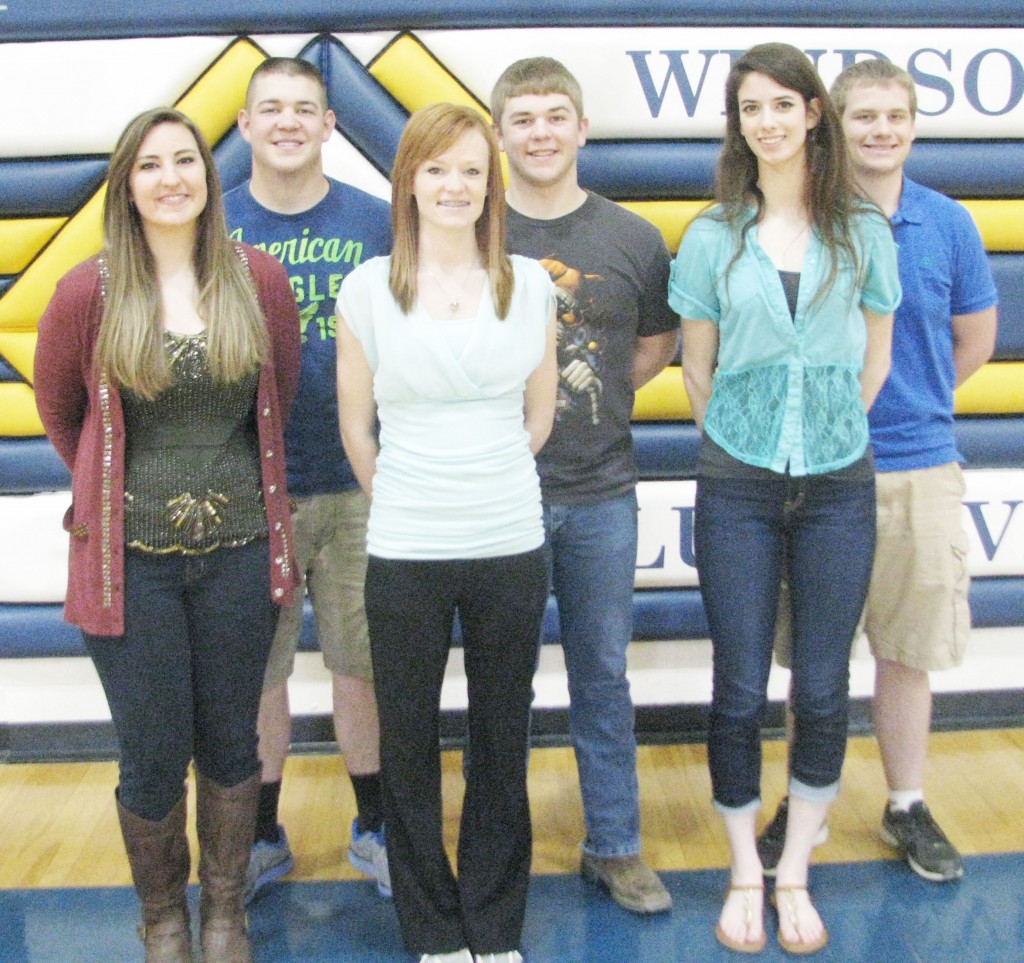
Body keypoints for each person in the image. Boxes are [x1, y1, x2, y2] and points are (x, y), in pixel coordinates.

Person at [34, 107, 300, 963]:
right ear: (127, 184)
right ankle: (163, 920)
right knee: (150, 752)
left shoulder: (256, 281)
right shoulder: (85, 292)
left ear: (207, 176)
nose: (171, 177)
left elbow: (278, 401)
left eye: (185, 160)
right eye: (150, 165)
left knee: (231, 741)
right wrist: (121, 492)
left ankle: (224, 913)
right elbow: (62, 415)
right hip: (129, 566)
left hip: (239, 554)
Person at [668, 43, 901, 954]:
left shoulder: (863, 230)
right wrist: (743, 437)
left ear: (813, 113)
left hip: (841, 480)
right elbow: (696, 364)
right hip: (738, 484)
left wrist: (832, 426)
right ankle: (741, 870)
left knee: (827, 683)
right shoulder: (713, 234)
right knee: (736, 686)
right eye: (748, 107)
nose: (765, 120)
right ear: (739, 124)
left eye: (781, 104)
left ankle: (794, 866)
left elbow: (875, 354)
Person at [757, 59, 998, 885]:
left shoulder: (949, 225)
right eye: (865, 116)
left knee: (908, 651)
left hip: (918, 468)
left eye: (896, 116)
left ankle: (905, 802)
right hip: (818, 471)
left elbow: (974, 340)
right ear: (834, 122)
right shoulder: (804, 218)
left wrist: (911, 407)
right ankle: (804, 799)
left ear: (915, 125)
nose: (881, 131)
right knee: (817, 658)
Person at [335, 102, 557, 963]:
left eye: (471, 168)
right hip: (405, 547)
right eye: (436, 169)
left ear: (490, 181)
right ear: (408, 182)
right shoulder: (368, 287)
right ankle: (432, 929)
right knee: (410, 740)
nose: (454, 185)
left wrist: (481, 481)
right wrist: (411, 496)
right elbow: (358, 428)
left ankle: (494, 927)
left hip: (509, 537)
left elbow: (536, 418)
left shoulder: (529, 282)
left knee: (502, 735)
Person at [489, 56, 679, 916]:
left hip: (602, 490)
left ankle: (615, 844)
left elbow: (651, 348)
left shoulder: (632, 239)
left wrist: (587, 396)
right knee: (505, 680)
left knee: (602, 674)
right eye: (522, 117)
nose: (540, 131)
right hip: (497, 494)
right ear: (500, 134)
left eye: (555, 115)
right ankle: (501, 851)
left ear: (581, 129)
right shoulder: (472, 231)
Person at [225, 56, 393, 902]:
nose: (287, 121)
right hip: (252, 491)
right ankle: (259, 836)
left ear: (330, 124)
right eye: (270, 109)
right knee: (261, 674)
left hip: (364, 481)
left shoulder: (378, 221)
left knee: (363, 664)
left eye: (304, 108)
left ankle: (375, 826)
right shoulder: (212, 227)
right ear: (246, 126)